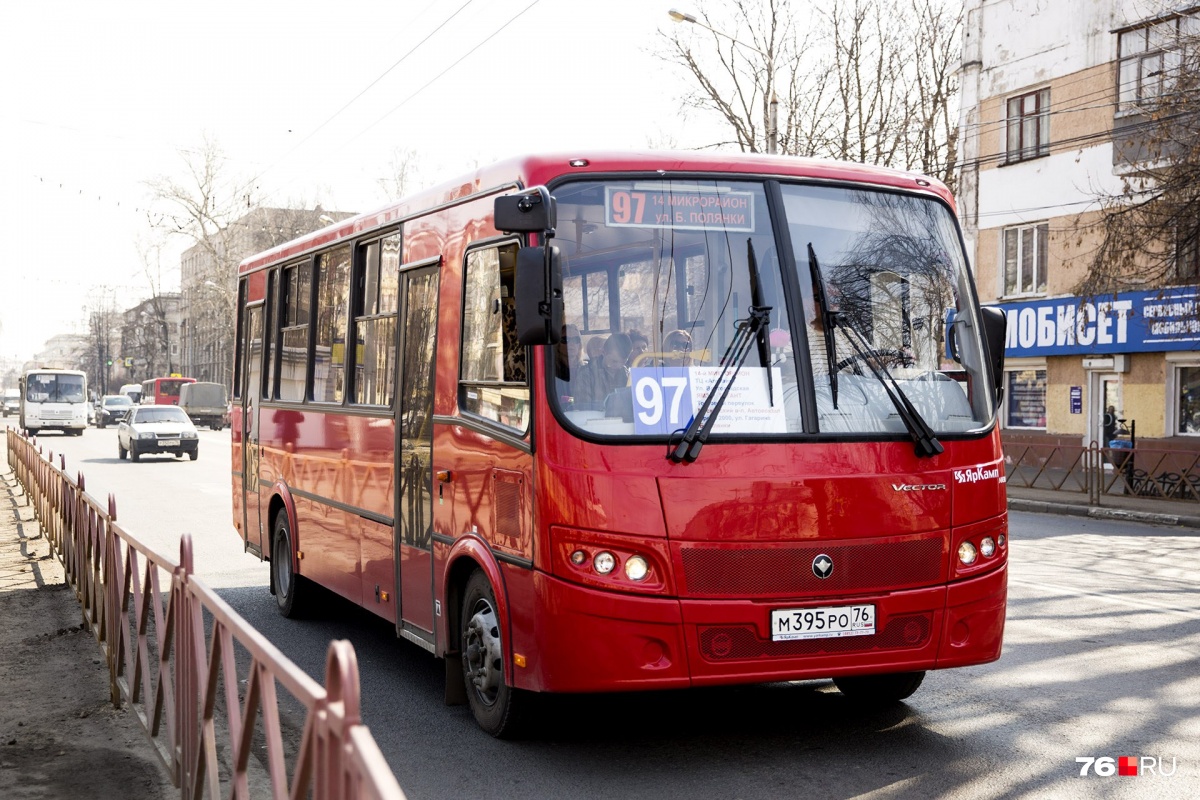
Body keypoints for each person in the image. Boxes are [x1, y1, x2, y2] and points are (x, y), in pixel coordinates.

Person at [575, 332, 633, 407]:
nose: (619, 366)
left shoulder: (627, 374)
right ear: (603, 352)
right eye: (614, 361)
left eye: (623, 362)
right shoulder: (586, 374)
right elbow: (583, 407)